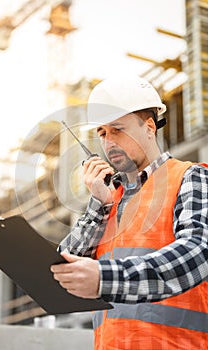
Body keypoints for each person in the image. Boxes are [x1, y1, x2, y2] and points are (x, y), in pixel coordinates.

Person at [50, 75, 208, 349]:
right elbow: (64, 272)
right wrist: (98, 206)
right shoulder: (109, 199)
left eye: (117, 129)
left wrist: (105, 278)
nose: (108, 142)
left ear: (149, 127)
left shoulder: (189, 177)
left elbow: (199, 251)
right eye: (102, 133)